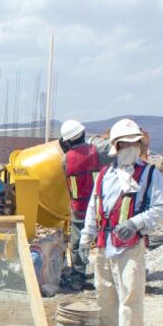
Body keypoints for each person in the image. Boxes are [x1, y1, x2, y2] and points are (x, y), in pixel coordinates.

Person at [79, 118, 163, 326]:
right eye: (125, 144)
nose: (131, 148)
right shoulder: (105, 175)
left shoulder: (150, 175)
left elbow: (160, 207)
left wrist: (135, 223)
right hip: (105, 243)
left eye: (134, 143)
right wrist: (86, 236)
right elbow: (93, 207)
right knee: (105, 293)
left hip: (130, 244)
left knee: (130, 295)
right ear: (115, 147)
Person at [59, 119, 103, 291]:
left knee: (77, 242)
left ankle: (77, 277)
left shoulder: (66, 159)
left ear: (67, 141)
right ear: (83, 134)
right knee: (101, 239)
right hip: (99, 206)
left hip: (78, 207)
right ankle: (107, 274)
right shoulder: (96, 151)